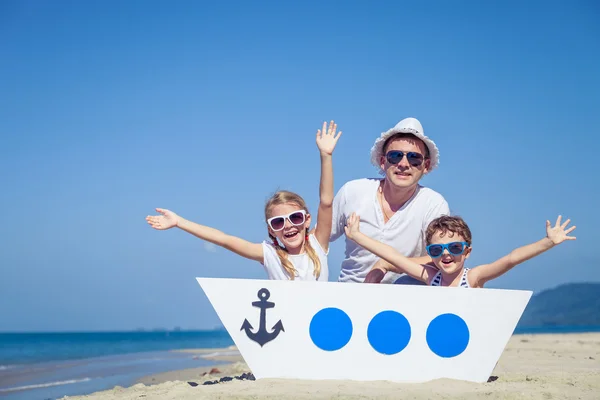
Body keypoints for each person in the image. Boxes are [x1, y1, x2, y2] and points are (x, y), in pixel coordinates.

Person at [145, 121, 342, 281]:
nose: (288, 225)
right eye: (279, 222)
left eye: (295, 218)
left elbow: (326, 202)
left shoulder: (318, 243)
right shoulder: (269, 255)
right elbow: (224, 239)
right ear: (271, 229)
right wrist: (179, 222)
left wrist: (326, 156)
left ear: (307, 220)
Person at [329, 117, 449, 284]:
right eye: (395, 156)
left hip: (404, 302)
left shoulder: (433, 204)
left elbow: (441, 258)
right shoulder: (353, 191)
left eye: (414, 158)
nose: (404, 164)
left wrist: (387, 264)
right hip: (349, 297)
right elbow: (318, 240)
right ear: (382, 161)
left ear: (426, 165)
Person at [344, 213, 576, 288]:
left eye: (454, 248)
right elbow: (391, 255)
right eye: (436, 250)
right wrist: (356, 236)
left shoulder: (473, 277)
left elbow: (510, 259)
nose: (446, 254)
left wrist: (547, 242)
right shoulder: (431, 276)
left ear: (467, 252)